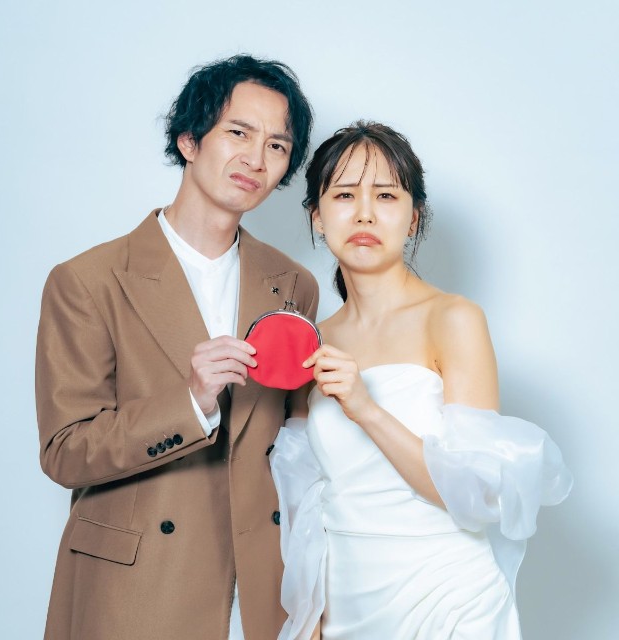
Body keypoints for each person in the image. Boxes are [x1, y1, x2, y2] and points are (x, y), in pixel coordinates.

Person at [35, 54, 318, 640]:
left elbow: (294, 446)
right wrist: (190, 404)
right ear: (189, 140)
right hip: (139, 591)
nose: (256, 159)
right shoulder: (88, 281)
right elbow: (65, 451)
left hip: (262, 590)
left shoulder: (294, 285)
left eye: (277, 145)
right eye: (238, 133)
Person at [270, 122, 573, 639]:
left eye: (386, 195)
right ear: (317, 217)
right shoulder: (313, 340)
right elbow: (302, 495)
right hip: (345, 605)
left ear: (413, 218)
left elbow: (476, 493)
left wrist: (366, 409)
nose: (364, 213)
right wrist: (310, 610)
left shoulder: (453, 319)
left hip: (447, 599)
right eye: (344, 195)